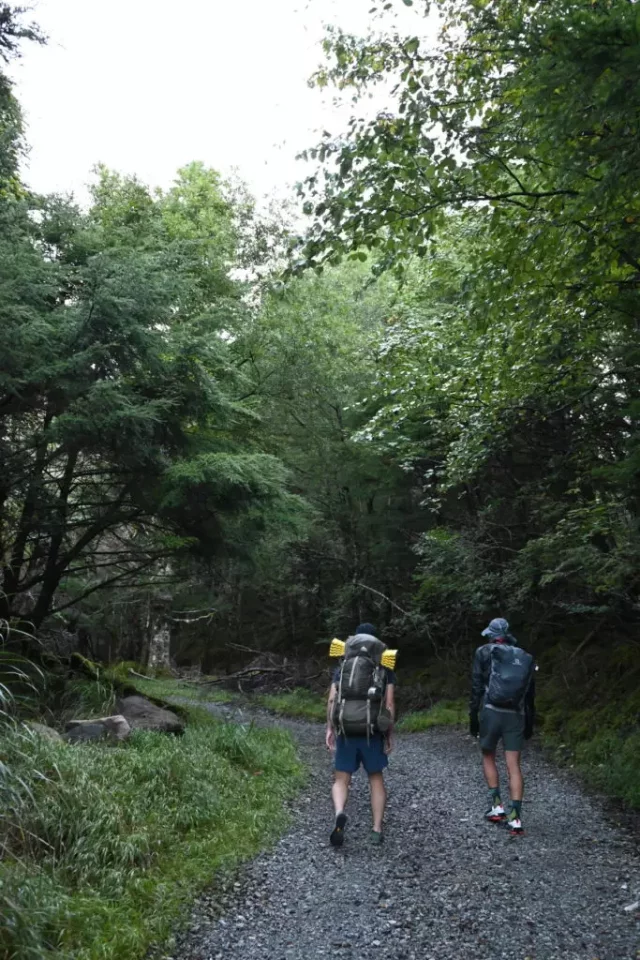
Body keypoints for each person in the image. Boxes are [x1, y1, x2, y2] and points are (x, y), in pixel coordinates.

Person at [325, 622, 396, 847]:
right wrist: (388, 734)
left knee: (341, 778)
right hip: (371, 730)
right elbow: (389, 704)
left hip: (346, 729)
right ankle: (376, 830)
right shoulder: (384, 667)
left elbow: (332, 699)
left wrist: (330, 727)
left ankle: (339, 813)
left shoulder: (343, 664)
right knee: (375, 778)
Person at [469, 617, 535, 836]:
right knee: (513, 764)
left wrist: (473, 715)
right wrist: (529, 722)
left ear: (490, 634)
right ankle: (516, 819)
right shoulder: (523, 657)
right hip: (516, 715)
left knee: (488, 755)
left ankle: (497, 807)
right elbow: (529, 696)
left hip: (490, 710)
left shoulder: (483, 652)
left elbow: (477, 685)